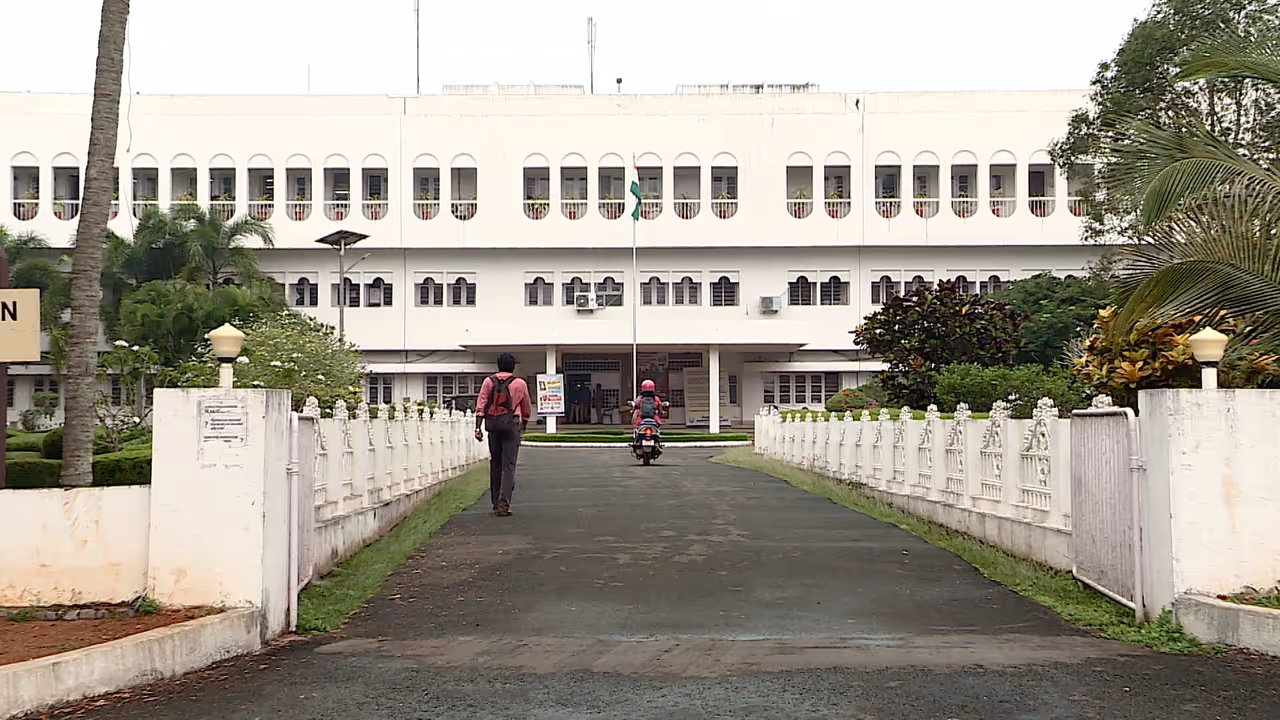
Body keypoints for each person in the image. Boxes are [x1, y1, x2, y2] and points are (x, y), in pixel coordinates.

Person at [474, 353, 532, 517]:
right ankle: (504, 504)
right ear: (513, 367)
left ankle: (495, 501)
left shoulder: (488, 381)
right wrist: (524, 423)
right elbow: (526, 407)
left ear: (498, 365)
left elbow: (481, 404)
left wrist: (478, 427)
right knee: (509, 465)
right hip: (511, 426)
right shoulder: (519, 383)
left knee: (496, 463)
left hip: (493, 425)